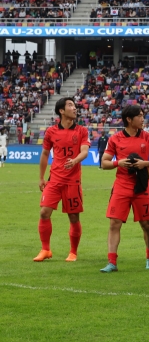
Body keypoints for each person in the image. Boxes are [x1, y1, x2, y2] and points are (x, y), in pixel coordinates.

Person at [99, 105, 149, 273]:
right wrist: (117, 163)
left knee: (146, 224)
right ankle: (112, 262)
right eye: (140, 116)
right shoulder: (115, 139)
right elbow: (104, 163)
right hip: (121, 186)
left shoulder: (148, 137)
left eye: (143, 116)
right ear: (129, 119)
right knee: (114, 223)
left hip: (141, 187)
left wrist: (144, 163)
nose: (143, 119)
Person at [34, 97, 90, 262]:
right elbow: (45, 154)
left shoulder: (81, 131)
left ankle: (73, 252)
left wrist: (75, 160)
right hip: (54, 179)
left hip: (73, 181)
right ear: (61, 111)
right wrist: (41, 177)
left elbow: (85, 151)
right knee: (44, 212)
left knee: (73, 217)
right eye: (71, 105)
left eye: (74, 105)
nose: (75, 108)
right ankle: (45, 250)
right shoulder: (51, 132)